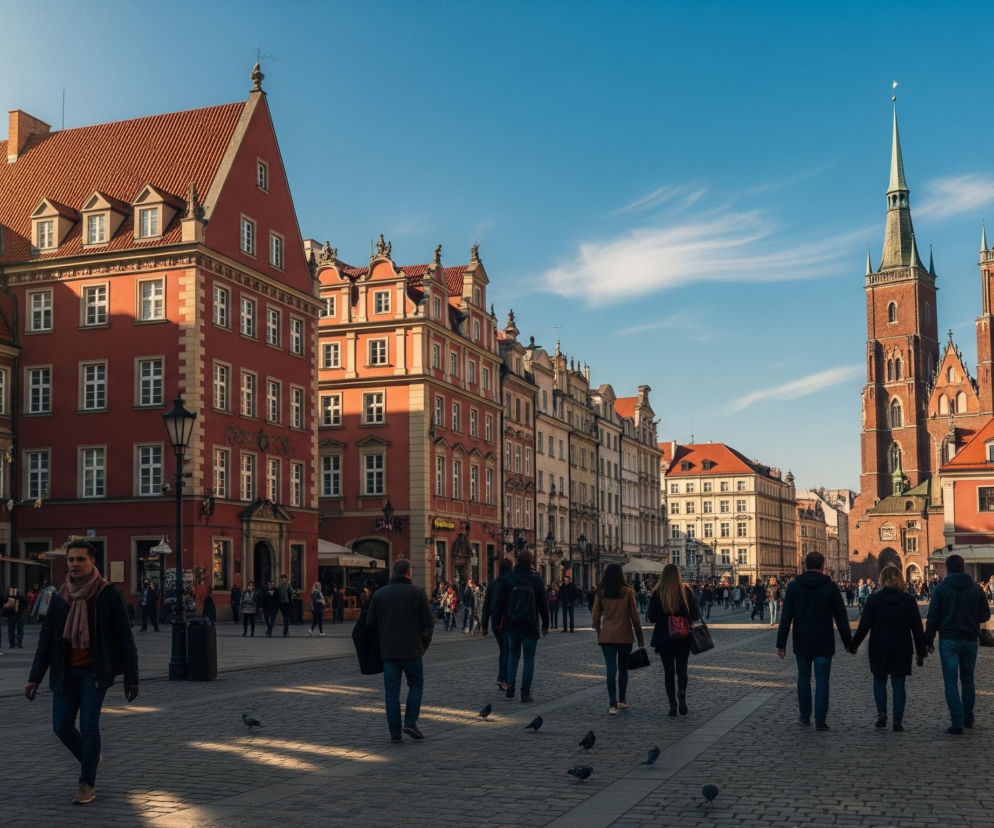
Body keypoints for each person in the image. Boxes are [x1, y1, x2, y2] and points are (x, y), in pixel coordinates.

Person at [24, 539, 139, 806]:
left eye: (80, 559)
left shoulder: (107, 594)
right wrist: (34, 677)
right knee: (61, 726)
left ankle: (87, 782)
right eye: (71, 559)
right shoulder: (60, 597)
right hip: (65, 672)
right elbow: (46, 640)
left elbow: (125, 639)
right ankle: (91, 756)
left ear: (92, 561)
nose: (75, 564)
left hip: (94, 672)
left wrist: (132, 678)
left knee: (88, 725)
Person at [776, 551, 853, 731]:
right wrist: (848, 643)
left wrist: (781, 643)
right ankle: (820, 720)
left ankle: (804, 717)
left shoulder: (794, 587)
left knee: (803, 679)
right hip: (823, 640)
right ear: (822, 566)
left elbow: (786, 617)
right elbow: (841, 618)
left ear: (805, 565)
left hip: (802, 640)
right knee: (822, 680)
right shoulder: (831, 587)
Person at [848, 564, 927, 731]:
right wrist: (921, 652)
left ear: (882, 580)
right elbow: (917, 629)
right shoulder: (908, 600)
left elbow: (864, 626)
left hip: (879, 646)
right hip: (902, 647)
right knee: (899, 684)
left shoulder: (875, 599)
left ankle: (882, 713)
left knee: (879, 681)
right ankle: (897, 721)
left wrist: (853, 646)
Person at [365, 558, 435, 743]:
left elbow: (369, 623)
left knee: (391, 692)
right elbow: (429, 623)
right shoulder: (418, 593)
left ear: (393, 573)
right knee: (416, 685)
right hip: (413, 650)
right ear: (408, 572)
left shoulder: (380, 595)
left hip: (389, 651)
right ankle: (410, 721)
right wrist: (423, 643)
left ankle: (394, 732)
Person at [924, 553, 992, 734]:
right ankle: (968, 717)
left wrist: (928, 641)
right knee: (968, 680)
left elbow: (932, 619)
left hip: (948, 640)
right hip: (970, 640)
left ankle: (956, 722)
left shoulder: (940, 589)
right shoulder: (976, 589)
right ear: (963, 568)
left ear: (947, 567)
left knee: (951, 682)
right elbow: (985, 615)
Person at [592, 563, 645, 714]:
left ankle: (612, 703)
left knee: (610, 669)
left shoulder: (600, 592)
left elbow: (595, 616)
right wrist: (640, 638)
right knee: (623, 669)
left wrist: (599, 632)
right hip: (625, 635)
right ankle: (622, 700)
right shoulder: (628, 592)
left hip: (607, 636)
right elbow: (635, 618)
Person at [648, 563, 699, 716]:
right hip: (682, 636)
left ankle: (672, 705)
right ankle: (682, 692)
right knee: (682, 670)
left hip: (665, 637)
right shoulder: (686, 591)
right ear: (678, 575)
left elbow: (651, 617)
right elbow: (695, 615)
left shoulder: (657, 593)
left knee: (668, 672)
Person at [498, 550, 550, 702]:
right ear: (531, 562)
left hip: (512, 625)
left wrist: (501, 621)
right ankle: (525, 693)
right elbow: (543, 604)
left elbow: (501, 603)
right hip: (530, 625)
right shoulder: (536, 580)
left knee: (513, 656)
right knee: (528, 659)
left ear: (517, 562)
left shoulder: (509, 579)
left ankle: (510, 686)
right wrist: (545, 624)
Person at [481, 558, 513, 690]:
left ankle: (503, 677)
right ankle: (502, 678)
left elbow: (486, 605)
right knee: (507, 650)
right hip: (506, 620)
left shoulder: (492, 584)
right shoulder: (510, 583)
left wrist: (484, 625)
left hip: (495, 622)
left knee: (503, 650)